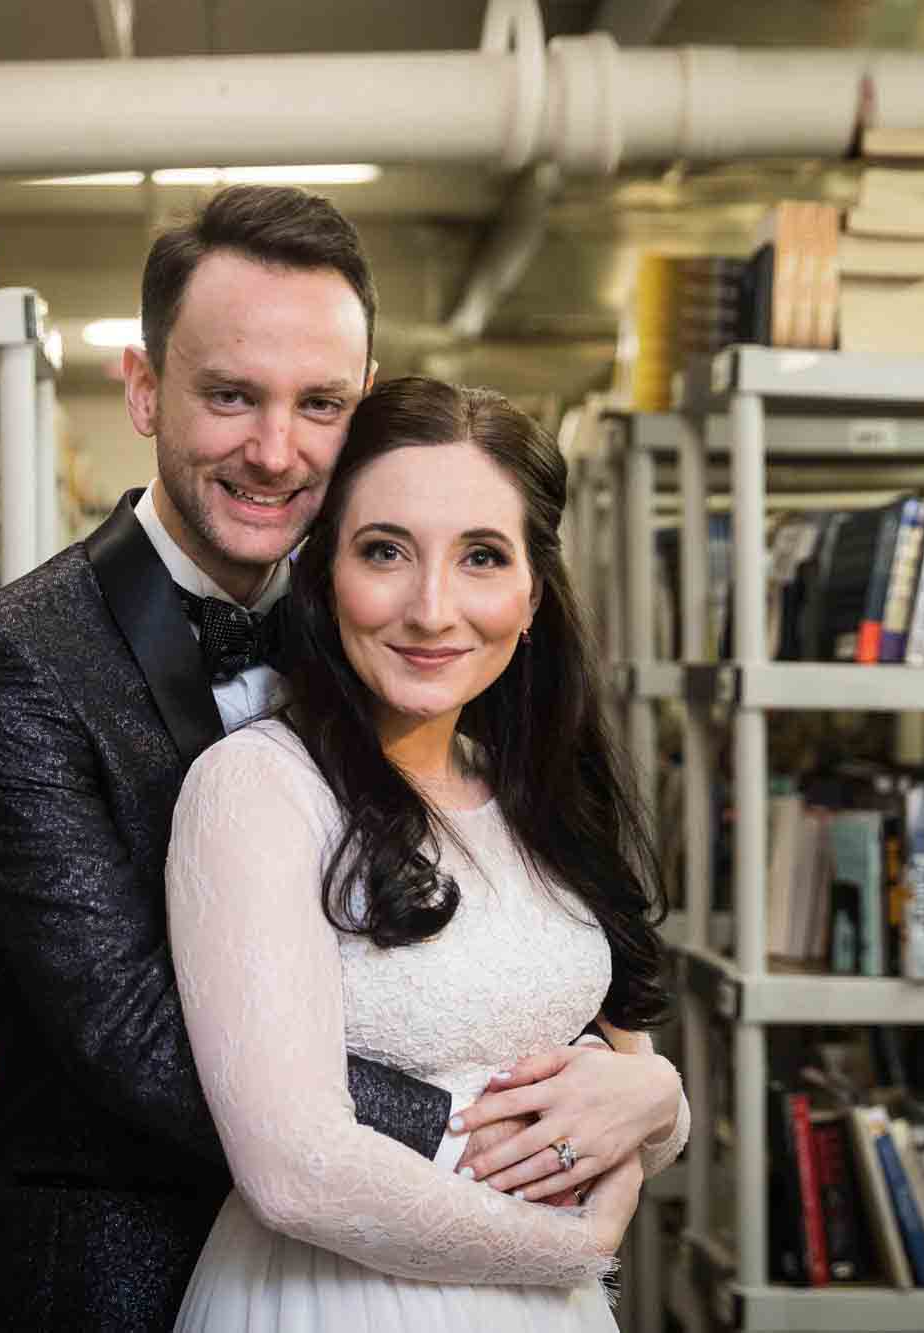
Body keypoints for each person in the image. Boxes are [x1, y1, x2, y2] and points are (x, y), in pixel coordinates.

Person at [0, 186, 678, 1333]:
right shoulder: (9, 661)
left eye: (317, 403)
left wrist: (648, 1088)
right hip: (123, 1266)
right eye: (229, 395)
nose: (273, 452)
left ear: (360, 409)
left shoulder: (390, 640)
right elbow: (132, 1029)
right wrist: (506, 1132)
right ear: (142, 388)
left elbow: (487, 948)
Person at [166, 376, 690, 1331]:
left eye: (482, 556)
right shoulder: (255, 788)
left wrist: (660, 1100)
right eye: (385, 551)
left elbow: (626, 1071)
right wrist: (572, 1246)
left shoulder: (537, 793)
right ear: (326, 577)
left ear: (533, 594)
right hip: (336, 1303)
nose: (432, 608)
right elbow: (293, 1172)